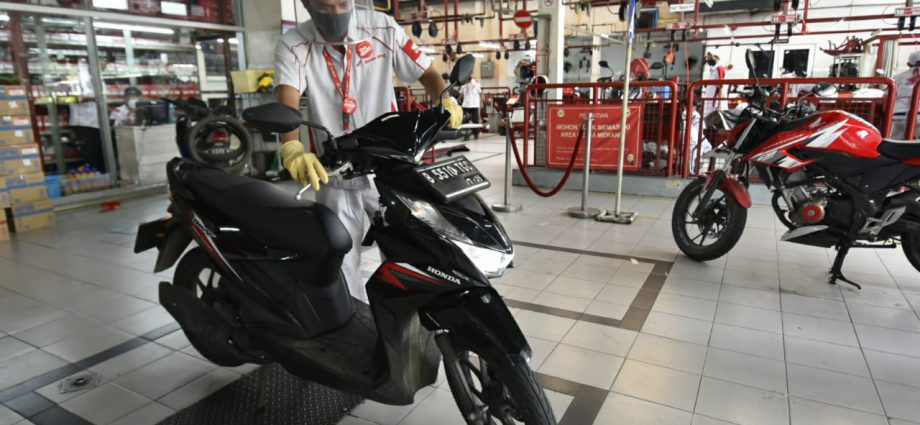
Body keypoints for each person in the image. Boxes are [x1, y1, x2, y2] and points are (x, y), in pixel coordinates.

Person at [274, 0, 462, 303]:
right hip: (335, 172)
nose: (335, 14)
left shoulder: (382, 28)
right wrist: (292, 146)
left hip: (389, 167)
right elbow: (287, 96)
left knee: (410, 250)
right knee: (341, 261)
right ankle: (355, 318)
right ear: (307, 5)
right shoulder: (294, 43)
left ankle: (410, 314)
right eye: (324, 6)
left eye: (341, 4)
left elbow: (426, 71)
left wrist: (445, 99)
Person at [892, 51, 920, 140]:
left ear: (908, 64)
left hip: (898, 114)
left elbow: (886, 95)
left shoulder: (897, 77)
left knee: (895, 143)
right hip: (918, 113)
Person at [702, 52, 727, 118]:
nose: (708, 60)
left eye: (710, 57)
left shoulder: (720, 68)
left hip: (715, 102)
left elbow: (721, 86)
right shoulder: (713, 70)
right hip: (710, 101)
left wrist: (720, 104)